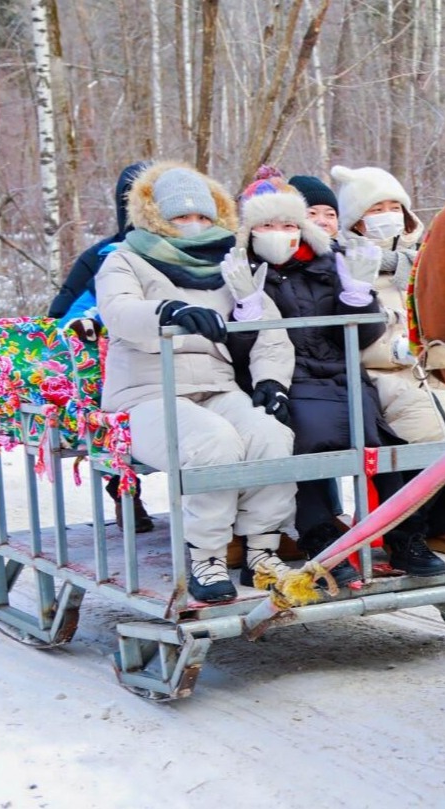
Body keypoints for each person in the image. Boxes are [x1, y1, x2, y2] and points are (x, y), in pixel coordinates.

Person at [95, 162, 299, 604]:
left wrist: (271, 381)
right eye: (181, 217)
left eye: (203, 217)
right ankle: (207, 554)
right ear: (156, 219)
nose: (194, 226)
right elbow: (119, 312)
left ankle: (262, 549)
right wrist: (167, 312)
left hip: (217, 388)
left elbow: (269, 329)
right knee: (213, 443)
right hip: (148, 394)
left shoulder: (228, 264)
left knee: (271, 435)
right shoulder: (124, 260)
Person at [232, 171, 445, 586]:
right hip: (286, 380)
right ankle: (324, 539)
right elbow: (244, 350)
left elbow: (360, 336)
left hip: (342, 374)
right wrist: (245, 309)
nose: (281, 234)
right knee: (309, 446)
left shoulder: (328, 263)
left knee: (381, 445)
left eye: (289, 225)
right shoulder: (245, 270)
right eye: (268, 225)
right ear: (251, 230)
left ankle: (406, 536)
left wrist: (359, 297)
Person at [330, 165, 445, 557]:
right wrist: (393, 350)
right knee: (425, 423)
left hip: (429, 364)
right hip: (376, 370)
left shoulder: (424, 260)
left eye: (393, 207)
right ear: (356, 222)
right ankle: (407, 525)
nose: (388, 216)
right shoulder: (342, 265)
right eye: (376, 209)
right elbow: (338, 332)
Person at [47, 162, 156, 534]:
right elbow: (62, 314)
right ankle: (125, 493)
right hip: (116, 366)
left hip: (179, 360)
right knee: (103, 401)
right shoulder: (103, 256)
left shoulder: (195, 252)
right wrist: (89, 324)